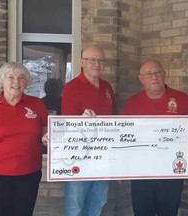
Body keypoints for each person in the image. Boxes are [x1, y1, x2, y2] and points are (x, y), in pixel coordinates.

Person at [0, 62, 48, 216]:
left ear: (27, 82)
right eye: (10, 77)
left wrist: (48, 139)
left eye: (21, 78)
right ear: (2, 81)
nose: (16, 82)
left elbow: (45, 137)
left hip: (29, 174)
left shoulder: (37, 105)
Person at [122, 60, 188, 216]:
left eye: (158, 72)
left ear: (164, 75)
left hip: (171, 174)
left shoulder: (183, 100)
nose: (154, 77)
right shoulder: (132, 103)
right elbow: (123, 136)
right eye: (149, 74)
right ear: (141, 78)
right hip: (141, 173)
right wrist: (122, 167)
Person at [61, 46, 116, 216]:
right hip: (79, 155)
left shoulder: (107, 87)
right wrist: (81, 120)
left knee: (99, 199)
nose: (97, 64)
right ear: (82, 62)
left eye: (100, 60)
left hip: (102, 154)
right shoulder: (72, 87)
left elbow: (113, 121)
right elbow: (66, 124)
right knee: (75, 203)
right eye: (92, 59)